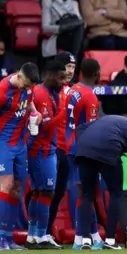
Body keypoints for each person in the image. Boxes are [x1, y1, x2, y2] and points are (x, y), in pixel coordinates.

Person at [0, 62, 40, 250]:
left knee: (16, 188)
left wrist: (35, 112)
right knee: (6, 186)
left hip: (20, 144)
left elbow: (29, 102)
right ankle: (1, 239)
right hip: (1, 144)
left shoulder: (28, 87)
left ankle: (9, 237)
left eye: (31, 86)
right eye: (27, 84)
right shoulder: (0, 92)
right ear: (19, 76)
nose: (29, 88)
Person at [75, 111, 127, 250]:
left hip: (84, 150)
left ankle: (85, 240)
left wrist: (83, 146)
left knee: (87, 195)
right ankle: (110, 241)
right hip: (109, 149)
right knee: (116, 194)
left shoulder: (109, 119)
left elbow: (81, 127)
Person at [25, 61, 67, 249]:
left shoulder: (49, 93)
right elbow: (41, 126)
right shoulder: (40, 94)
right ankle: (41, 236)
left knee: (39, 192)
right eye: (60, 78)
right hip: (41, 148)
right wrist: (64, 113)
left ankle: (33, 236)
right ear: (49, 75)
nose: (63, 82)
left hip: (46, 147)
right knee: (47, 192)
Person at [66, 58, 102, 250]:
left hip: (68, 146)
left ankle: (94, 236)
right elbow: (91, 129)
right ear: (96, 72)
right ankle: (81, 237)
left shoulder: (71, 90)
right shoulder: (90, 96)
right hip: (83, 149)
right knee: (85, 193)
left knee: (84, 191)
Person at [47, 52, 76, 238]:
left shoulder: (73, 91)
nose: (71, 71)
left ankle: (46, 231)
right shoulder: (51, 91)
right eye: (68, 67)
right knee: (45, 191)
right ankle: (39, 232)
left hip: (67, 149)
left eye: (73, 67)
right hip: (51, 148)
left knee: (58, 193)